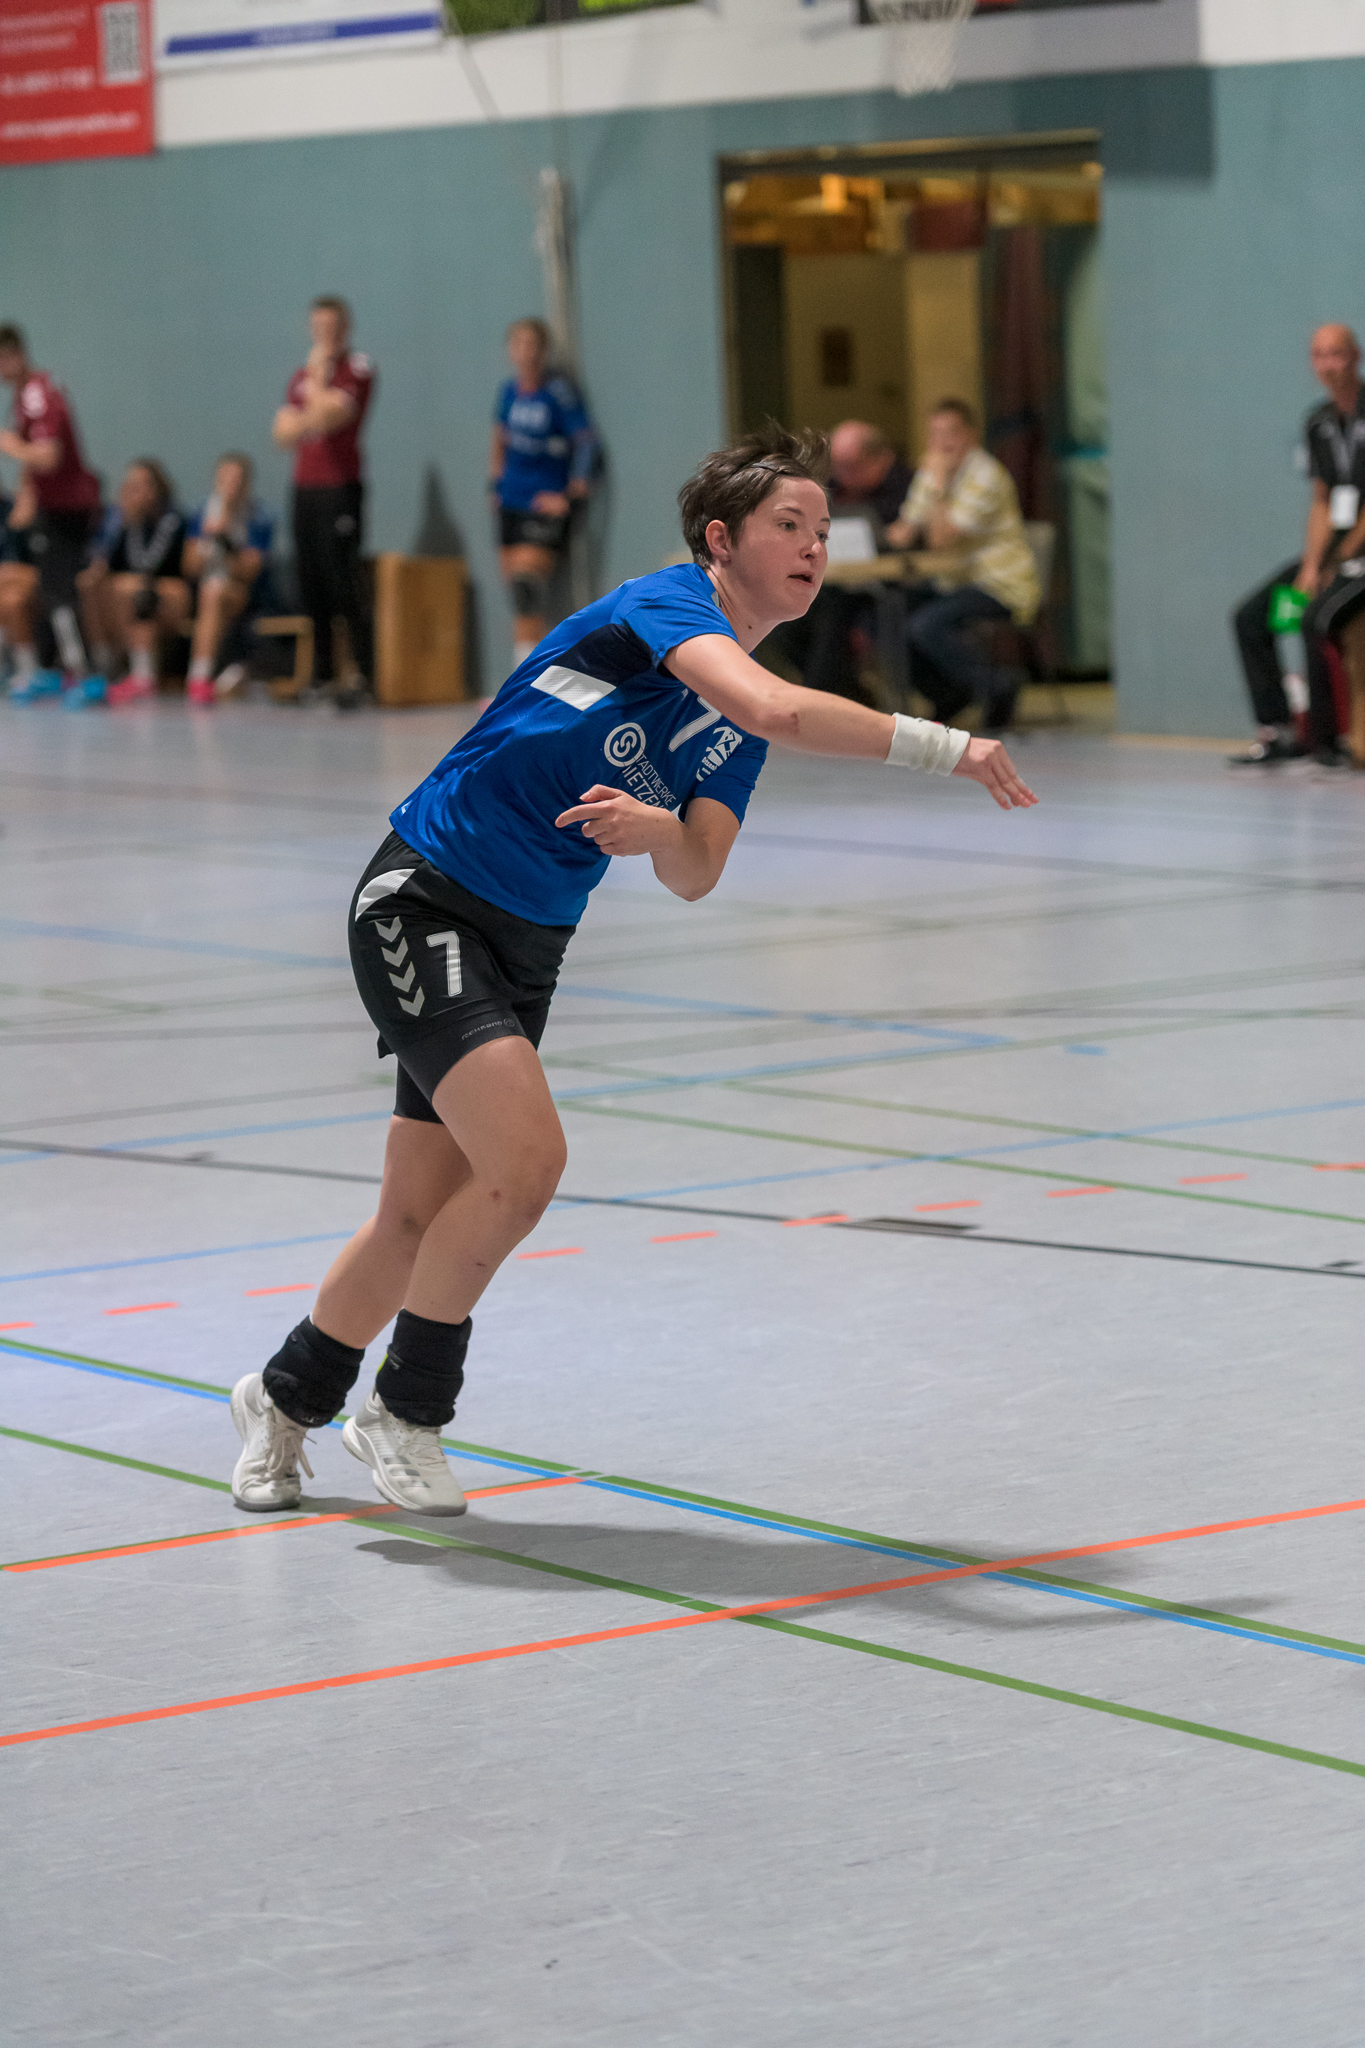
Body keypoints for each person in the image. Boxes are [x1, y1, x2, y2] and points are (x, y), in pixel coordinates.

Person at [227, 423, 1036, 1517]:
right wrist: (949, 745)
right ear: (721, 542)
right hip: (425, 899)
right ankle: (406, 1411)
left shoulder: (731, 730)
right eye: (788, 525)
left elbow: (696, 870)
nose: (813, 546)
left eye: (822, 529)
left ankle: (282, 1398)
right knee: (525, 1165)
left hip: (529, 942)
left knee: (414, 1215)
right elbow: (777, 706)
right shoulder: (664, 605)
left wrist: (661, 830)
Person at [1229, 323, 1365, 767]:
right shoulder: (1318, 421)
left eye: (1337, 354)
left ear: (1356, 356)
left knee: (1316, 617)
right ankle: (1278, 730)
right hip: (1334, 553)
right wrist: (1311, 566)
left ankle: (1330, 741)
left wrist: (1342, 558)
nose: (1329, 365)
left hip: (1360, 555)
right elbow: (1322, 500)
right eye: (1319, 355)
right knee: (1251, 616)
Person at [886, 398, 1041, 730]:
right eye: (935, 434)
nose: (943, 443)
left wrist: (939, 486)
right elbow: (903, 532)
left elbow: (942, 538)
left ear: (971, 434)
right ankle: (949, 695)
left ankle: (997, 685)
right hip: (952, 581)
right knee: (887, 617)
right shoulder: (932, 473)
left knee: (925, 625)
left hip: (998, 585)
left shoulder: (986, 476)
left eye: (951, 433)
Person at [273, 294, 375, 710]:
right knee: (311, 583)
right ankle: (322, 676)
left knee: (342, 583)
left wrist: (317, 382)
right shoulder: (300, 376)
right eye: (318, 327)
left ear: (345, 328)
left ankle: (363, 675)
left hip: (340, 488)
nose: (325, 334)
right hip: (305, 488)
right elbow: (282, 434)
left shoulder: (357, 368)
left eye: (332, 327)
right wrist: (311, 409)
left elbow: (330, 416)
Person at [765, 420, 915, 703]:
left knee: (832, 616)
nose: (842, 474)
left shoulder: (908, 487)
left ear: (880, 458)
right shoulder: (831, 488)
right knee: (782, 618)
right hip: (836, 582)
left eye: (851, 466)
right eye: (838, 466)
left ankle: (817, 700)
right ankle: (845, 693)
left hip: (888, 588)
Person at [0, 323, 107, 705]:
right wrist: (27, 495)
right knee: (50, 588)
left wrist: (9, 445)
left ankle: (86, 675)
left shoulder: (37, 393)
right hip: (51, 506)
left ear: (14, 355)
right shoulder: (25, 395)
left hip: (68, 507)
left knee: (61, 591)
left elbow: (48, 456)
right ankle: (56, 670)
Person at [489, 317, 598, 670]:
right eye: (518, 344)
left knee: (527, 588)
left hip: (543, 503)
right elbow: (500, 439)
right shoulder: (509, 392)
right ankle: (532, 674)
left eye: (532, 345)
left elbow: (587, 444)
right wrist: (495, 486)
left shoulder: (558, 393)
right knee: (519, 597)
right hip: (512, 501)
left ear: (544, 350)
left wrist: (569, 495)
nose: (526, 352)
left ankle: (522, 680)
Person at [79, 459, 190, 707]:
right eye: (130, 486)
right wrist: (118, 525)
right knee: (91, 585)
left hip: (167, 593)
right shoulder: (124, 521)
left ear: (156, 488)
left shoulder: (171, 520)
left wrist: (126, 578)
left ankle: (142, 674)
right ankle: (103, 664)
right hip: (131, 592)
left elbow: (153, 564)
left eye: (141, 486)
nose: (133, 492)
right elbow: (105, 562)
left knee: (129, 591)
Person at [182, 452, 276, 705]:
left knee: (215, 591)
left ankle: (199, 675)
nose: (231, 486)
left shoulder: (258, 517)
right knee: (210, 591)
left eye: (238, 480)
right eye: (225, 479)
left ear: (247, 483)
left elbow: (249, 573)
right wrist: (207, 538)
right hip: (203, 591)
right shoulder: (202, 513)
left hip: (245, 596)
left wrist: (226, 542)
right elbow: (190, 567)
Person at [0, 480, 39, 688]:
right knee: (8, 600)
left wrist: (17, 526)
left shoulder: (17, 508)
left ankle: (28, 670)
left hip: (31, 583)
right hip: (7, 585)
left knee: (12, 601)